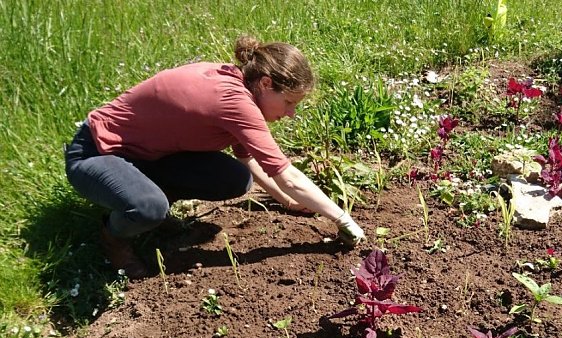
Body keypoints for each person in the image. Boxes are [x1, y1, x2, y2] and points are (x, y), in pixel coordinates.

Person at [65, 35, 365, 279]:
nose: (290, 113)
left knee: (234, 178)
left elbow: (249, 159)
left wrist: (287, 201)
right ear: (265, 84)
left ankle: (149, 204)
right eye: (288, 103)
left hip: (146, 156)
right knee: (148, 207)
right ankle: (114, 236)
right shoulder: (234, 101)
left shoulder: (240, 86)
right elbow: (286, 173)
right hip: (94, 154)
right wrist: (341, 218)